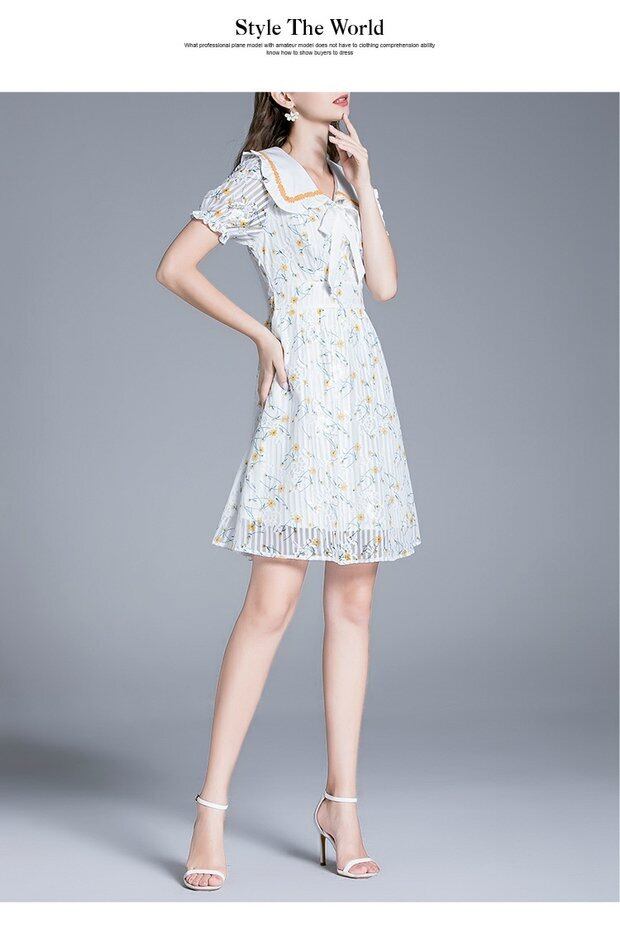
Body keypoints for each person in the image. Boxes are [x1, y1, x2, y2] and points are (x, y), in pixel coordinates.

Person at [156, 91, 422, 890]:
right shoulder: (260, 176)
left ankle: (342, 806)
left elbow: (384, 286)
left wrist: (366, 182)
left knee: (355, 604)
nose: (339, 82)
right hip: (303, 396)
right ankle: (210, 811)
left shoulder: (344, 179)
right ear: (280, 90)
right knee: (271, 603)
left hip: (364, 397)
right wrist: (261, 333)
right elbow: (175, 267)